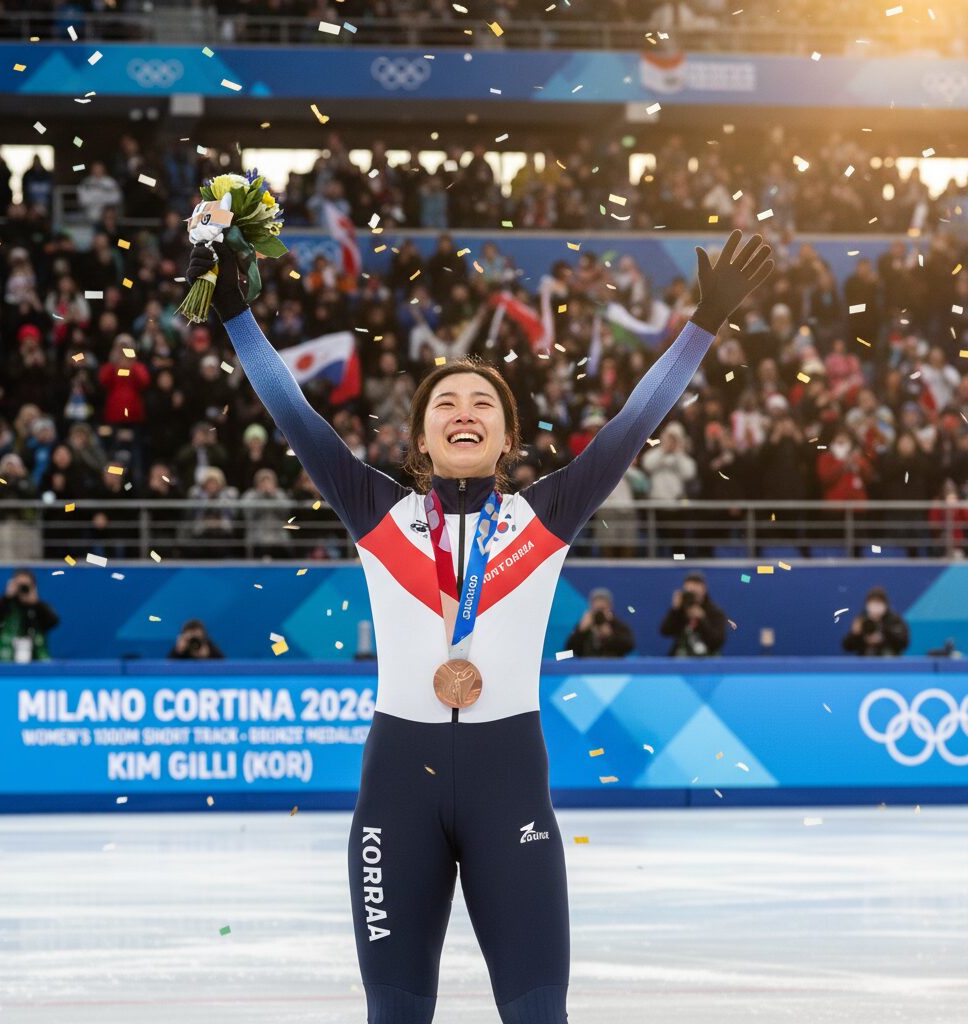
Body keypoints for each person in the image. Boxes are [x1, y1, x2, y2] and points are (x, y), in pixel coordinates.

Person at [185, 227, 773, 1024]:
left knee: (539, 1016)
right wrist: (236, 319)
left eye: (483, 402)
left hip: (510, 784)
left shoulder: (547, 516)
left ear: (505, 435)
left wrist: (702, 325)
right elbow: (290, 409)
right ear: (422, 437)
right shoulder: (377, 513)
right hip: (397, 786)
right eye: (446, 404)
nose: (465, 412)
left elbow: (635, 421)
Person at [0, 568, 59, 662]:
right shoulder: (5, 604)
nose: (22, 589)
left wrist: (36, 603)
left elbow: (54, 622)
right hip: (5, 660)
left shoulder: (38, 607)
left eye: (26, 586)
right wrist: (6, 597)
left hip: (35, 660)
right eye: (19, 585)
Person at [658, 570, 728, 657]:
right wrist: (674, 610)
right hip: (681, 658)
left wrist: (702, 619)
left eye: (696, 588)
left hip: (707, 659)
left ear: (704, 589)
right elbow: (665, 631)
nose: (693, 593)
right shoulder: (680, 611)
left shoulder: (715, 612)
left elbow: (717, 642)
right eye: (690, 591)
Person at [564, 587, 634, 658]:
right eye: (597, 609)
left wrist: (610, 636)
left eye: (602, 608)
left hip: (612, 666)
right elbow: (569, 651)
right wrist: (581, 631)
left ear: (610, 607)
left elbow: (629, 646)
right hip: (587, 666)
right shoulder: (584, 625)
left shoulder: (617, 624)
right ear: (591, 606)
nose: (600, 613)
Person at [842, 586, 910, 657]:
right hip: (865, 662)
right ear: (867, 604)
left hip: (890, 662)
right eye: (873, 602)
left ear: (886, 604)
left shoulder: (895, 620)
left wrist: (884, 636)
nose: (875, 606)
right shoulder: (862, 620)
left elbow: (903, 643)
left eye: (879, 602)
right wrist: (855, 634)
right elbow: (847, 646)